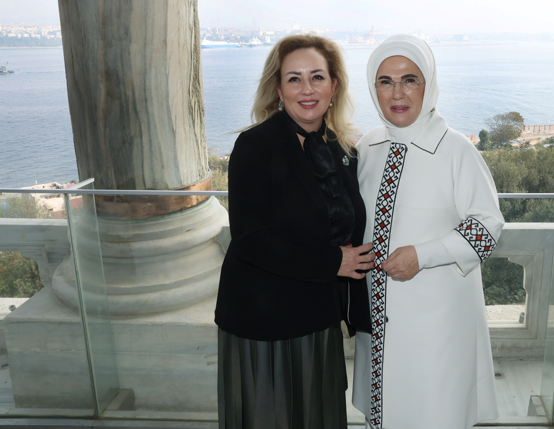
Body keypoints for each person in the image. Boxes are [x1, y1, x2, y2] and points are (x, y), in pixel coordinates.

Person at [215, 34, 374, 429]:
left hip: (318, 316)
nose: (307, 89)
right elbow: (251, 238)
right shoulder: (254, 146)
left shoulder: (342, 149)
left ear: (334, 86)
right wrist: (333, 261)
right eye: (294, 79)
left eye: (317, 77)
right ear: (278, 89)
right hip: (263, 320)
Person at [352, 35, 503, 429]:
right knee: (385, 411)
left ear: (428, 83)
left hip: (438, 323)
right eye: (385, 81)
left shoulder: (456, 150)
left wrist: (423, 255)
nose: (397, 93)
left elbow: (487, 226)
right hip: (379, 316)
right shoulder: (367, 147)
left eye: (410, 80)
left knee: (433, 411)